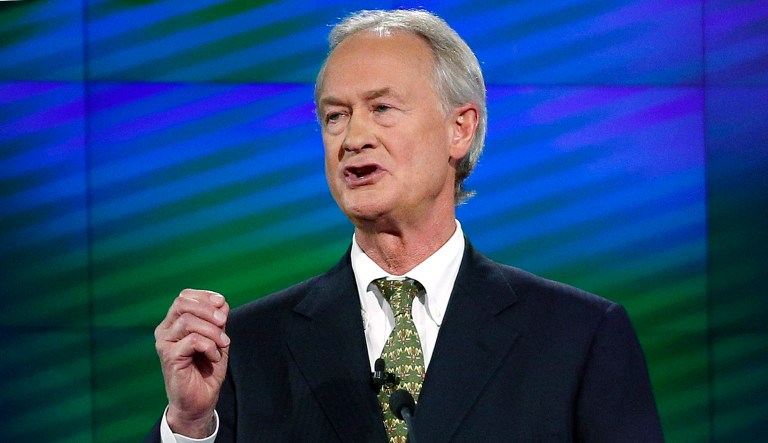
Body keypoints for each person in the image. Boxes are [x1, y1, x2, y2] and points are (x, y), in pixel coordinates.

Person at [148, 9, 663, 443]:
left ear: (460, 129)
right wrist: (189, 426)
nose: (354, 138)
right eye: (335, 116)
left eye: (382, 108)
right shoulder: (244, 348)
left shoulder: (578, 338)